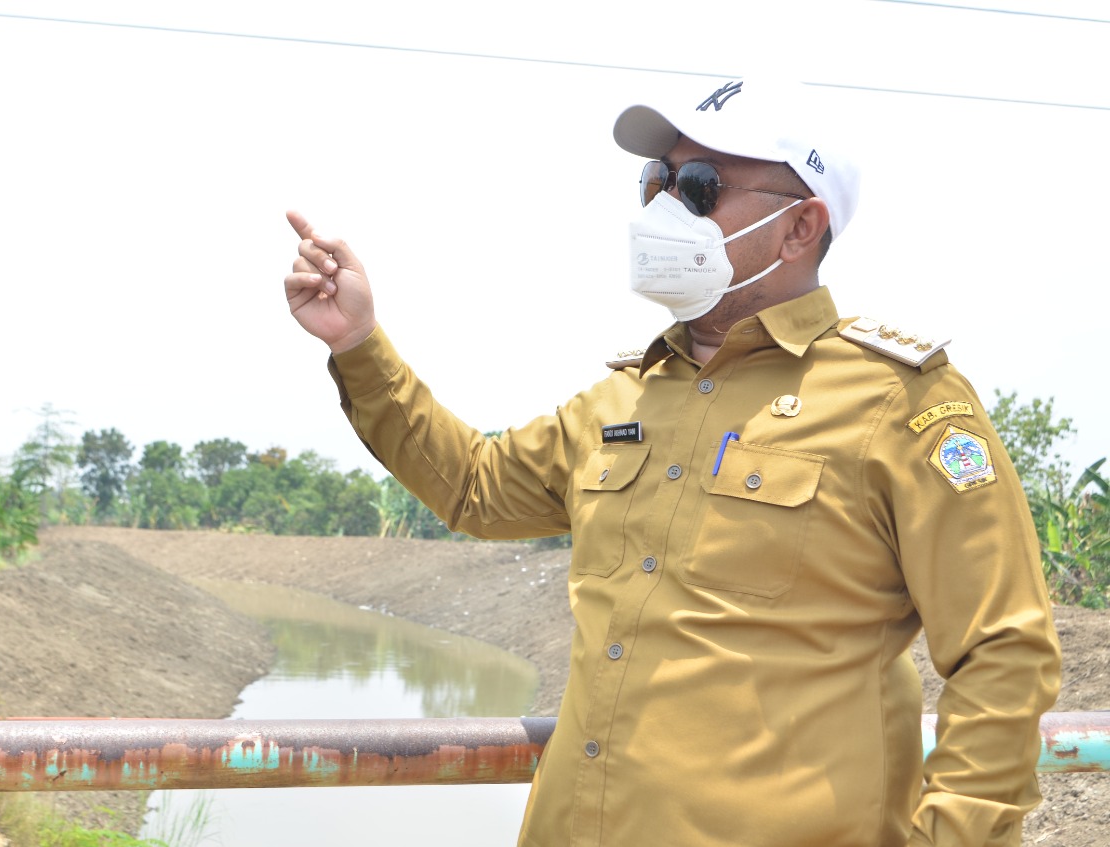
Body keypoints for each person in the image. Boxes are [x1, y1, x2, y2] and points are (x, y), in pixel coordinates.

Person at [283, 77, 1060, 847]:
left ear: (801, 227)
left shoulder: (899, 402)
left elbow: (1003, 650)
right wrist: (358, 345)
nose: (660, 210)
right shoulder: (625, 398)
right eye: (656, 181)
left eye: (699, 187)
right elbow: (477, 488)